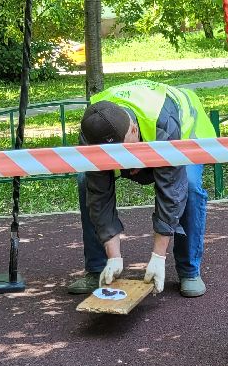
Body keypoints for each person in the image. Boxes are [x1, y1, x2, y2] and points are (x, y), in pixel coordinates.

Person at [67, 80, 213, 298]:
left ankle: (189, 270)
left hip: (182, 137)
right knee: (84, 182)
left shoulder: (163, 120)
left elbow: (171, 190)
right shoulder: (91, 130)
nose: (120, 163)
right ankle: (98, 268)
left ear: (134, 129)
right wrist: (114, 255)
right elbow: (98, 194)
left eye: (122, 153)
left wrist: (158, 257)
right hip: (143, 140)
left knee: (189, 187)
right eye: (113, 158)